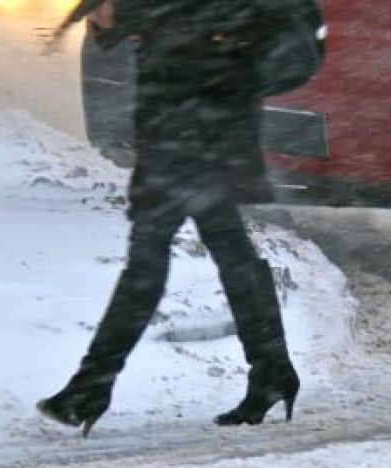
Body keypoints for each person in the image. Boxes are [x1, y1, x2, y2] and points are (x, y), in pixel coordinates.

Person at [37, 0, 299, 436]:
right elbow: (144, 20)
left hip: (189, 136)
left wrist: (118, 15)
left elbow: (184, 23)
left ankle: (91, 386)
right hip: (190, 131)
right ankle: (272, 370)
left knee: (148, 260)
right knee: (227, 251)